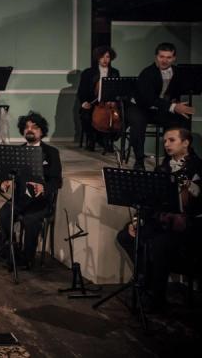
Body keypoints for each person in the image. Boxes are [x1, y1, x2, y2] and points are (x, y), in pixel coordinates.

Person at [116, 127, 202, 312]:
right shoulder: (163, 167)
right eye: (165, 141)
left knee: (158, 244)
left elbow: (196, 201)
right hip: (163, 221)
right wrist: (137, 221)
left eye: (172, 140)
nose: (166, 144)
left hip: (189, 225)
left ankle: (157, 296)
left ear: (186, 143)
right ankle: (145, 279)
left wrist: (187, 185)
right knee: (126, 235)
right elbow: (150, 201)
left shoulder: (198, 166)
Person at [0, 111, 63, 269]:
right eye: (26, 127)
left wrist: (44, 187)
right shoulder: (17, 151)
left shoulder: (51, 153)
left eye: (34, 127)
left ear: (42, 131)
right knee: (2, 216)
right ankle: (13, 251)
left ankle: (27, 259)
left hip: (41, 201)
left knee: (30, 221)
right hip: (20, 199)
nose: (29, 130)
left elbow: (56, 181)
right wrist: (4, 182)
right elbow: (6, 173)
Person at [126, 42, 193, 170]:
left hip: (161, 108)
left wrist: (176, 103)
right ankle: (139, 161)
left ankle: (170, 161)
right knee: (138, 123)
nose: (164, 60)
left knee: (180, 121)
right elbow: (149, 99)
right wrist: (173, 107)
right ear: (156, 57)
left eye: (168, 57)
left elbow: (177, 91)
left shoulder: (177, 72)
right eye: (161, 56)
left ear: (174, 58)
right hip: (140, 107)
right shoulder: (147, 73)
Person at [77, 45, 121, 152]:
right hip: (93, 103)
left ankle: (109, 140)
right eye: (102, 57)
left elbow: (117, 90)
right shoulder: (88, 72)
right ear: (97, 58)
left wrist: (114, 100)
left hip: (109, 104)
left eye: (107, 57)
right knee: (86, 115)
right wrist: (84, 102)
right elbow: (81, 91)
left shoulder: (115, 72)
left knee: (120, 117)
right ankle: (91, 139)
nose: (105, 60)